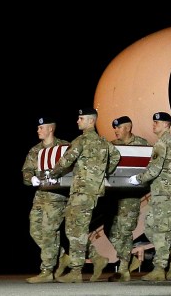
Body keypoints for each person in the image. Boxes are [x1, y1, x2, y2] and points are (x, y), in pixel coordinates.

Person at [50, 108, 121, 283]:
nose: (77, 121)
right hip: (93, 192)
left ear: (91, 121)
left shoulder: (80, 141)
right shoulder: (105, 143)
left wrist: (52, 175)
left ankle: (76, 271)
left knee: (76, 230)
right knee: (75, 228)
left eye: (81, 118)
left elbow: (65, 161)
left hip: (81, 191)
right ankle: (97, 259)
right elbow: (116, 156)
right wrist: (103, 172)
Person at [127, 112, 171, 281]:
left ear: (166, 125)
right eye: (154, 122)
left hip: (164, 193)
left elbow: (154, 169)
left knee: (161, 230)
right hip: (167, 192)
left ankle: (160, 268)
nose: (154, 125)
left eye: (157, 122)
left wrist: (138, 179)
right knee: (149, 226)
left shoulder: (162, 144)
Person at [21, 116, 70, 283]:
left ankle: (47, 270)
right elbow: (26, 171)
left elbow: (73, 168)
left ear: (51, 129)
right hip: (40, 195)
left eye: (41, 128)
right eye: (38, 127)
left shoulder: (64, 147)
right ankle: (62, 256)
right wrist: (31, 178)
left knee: (49, 232)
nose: (38, 130)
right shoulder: (35, 150)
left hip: (57, 196)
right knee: (35, 230)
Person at [102, 115, 150, 282]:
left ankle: (123, 270)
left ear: (128, 128)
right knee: (110, 229)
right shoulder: (112, 145)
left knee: (125, 230)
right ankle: (129, 256)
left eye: (119, 127)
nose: (115, 131)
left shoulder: (142, 144)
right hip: (114, 196)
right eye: (114, 128)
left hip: (131, 195)